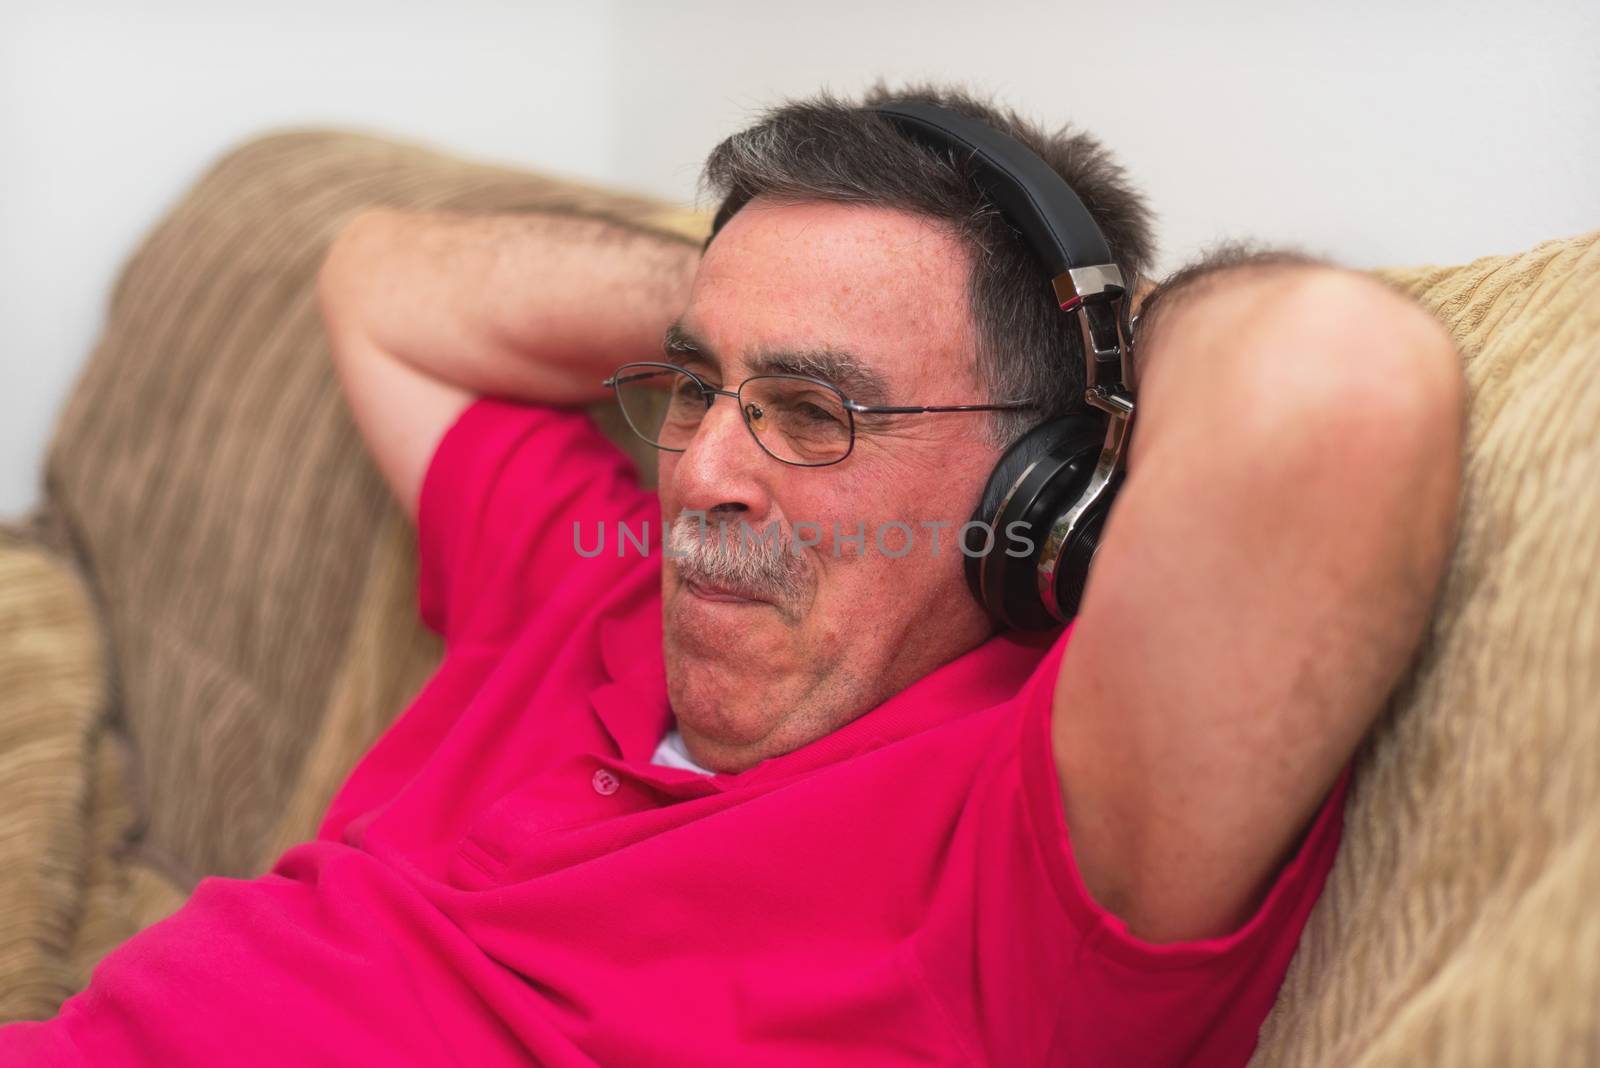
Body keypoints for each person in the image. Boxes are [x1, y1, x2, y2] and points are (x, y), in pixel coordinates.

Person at [0, 82, 1463, 1067]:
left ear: (1040, 498)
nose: (700, 472)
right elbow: (380, 277)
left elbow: (1332, 385)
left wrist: (1084, 342)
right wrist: (753, 304)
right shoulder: (596, 573)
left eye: (819, 414)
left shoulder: (1033, 831)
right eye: (698, 387)